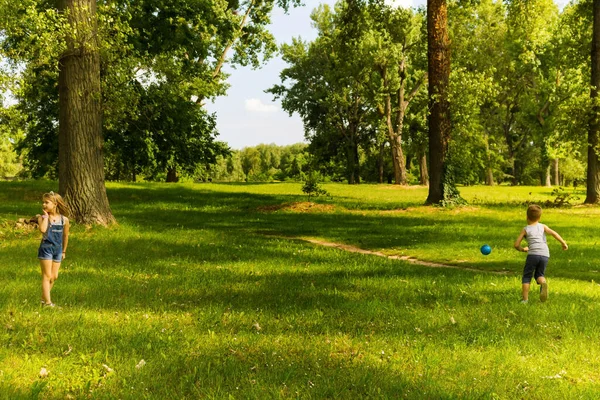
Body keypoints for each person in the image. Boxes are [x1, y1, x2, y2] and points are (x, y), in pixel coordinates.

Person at [514, 204, 567, 303]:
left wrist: (523, 249)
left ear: (527, 217)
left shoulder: (526, 229)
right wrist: (563, 243)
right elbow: (554, 233)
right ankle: (543, 283)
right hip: (545, 254)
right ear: (539, 217)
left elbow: (516, 244)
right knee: (539, 274)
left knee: (527, 276)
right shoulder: (543, 226)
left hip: (533, 254)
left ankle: (525, 300)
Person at [36, 191, 70, 307]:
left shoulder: (64, 220)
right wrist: (45, 216)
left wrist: (64, 251)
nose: (44, 205)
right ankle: (48, 303)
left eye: (47, 202)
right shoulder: (42, 218)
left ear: (55, 204)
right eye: (43, 202)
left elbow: (65, 236)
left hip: (58, 249)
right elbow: (43, 230)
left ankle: (43, 300)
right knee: (47, 275)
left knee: (54, 276)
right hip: (46, 248)